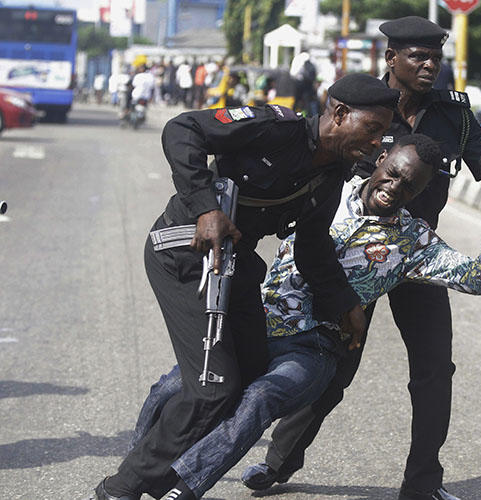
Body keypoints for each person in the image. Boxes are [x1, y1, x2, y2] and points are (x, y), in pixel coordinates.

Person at [243, 16, 481, 500]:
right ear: (391, 59)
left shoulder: (454, 115)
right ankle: (279, 462)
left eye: (435, 58)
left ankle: (422, 482)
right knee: (334, 366)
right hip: (359, 259)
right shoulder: (366, 106)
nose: (429, 66)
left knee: (433, 369)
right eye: (418, 57)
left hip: (419, 259)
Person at [126, 133, 481, 500]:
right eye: (394, 174)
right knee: (171, 388)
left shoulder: (413, 240)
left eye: (410, 186)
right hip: (253, 324)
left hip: (313, 350)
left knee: (259, 398)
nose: (395, 187)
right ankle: (135, 472)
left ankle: (183, 487)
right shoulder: (325, 191)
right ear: (380, 160)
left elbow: (479, 277)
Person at [84, 73, 399, 500]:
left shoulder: (330, 176)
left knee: (249, 372)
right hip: (187, 253)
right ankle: (122, 488)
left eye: (384, 133)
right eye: (373, 129)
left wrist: (346, 304)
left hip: (234, 263)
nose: (379, 142)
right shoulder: (275, 128)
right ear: (340, 114)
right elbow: (182, 129)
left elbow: (312, 249)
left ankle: (154, 473)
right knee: (213, 386)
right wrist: (205, 207)